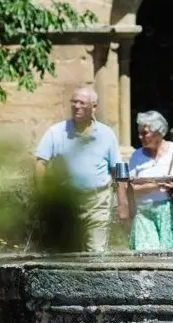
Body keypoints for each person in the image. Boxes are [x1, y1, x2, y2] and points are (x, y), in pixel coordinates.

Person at [34, 86, 129, 252]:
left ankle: (96, 277)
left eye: (82, 103)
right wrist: (43, 196)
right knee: (67, 254)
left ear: (94, 107)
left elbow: (119, 169)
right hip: (67, 203)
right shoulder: (56, 132)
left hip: (97, 201)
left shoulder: (106, 134)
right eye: (74, 102)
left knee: (96, 253)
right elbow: (40, 162)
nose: (76, 106)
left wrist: (122, 203)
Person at [127, 110, 173, 250]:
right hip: (144, 214)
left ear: (159, 132)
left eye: (145, 133)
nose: (140, 136)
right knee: (146, 255)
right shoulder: (136, 156)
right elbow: (131, 188)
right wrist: (155, 185)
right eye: (139, 132)